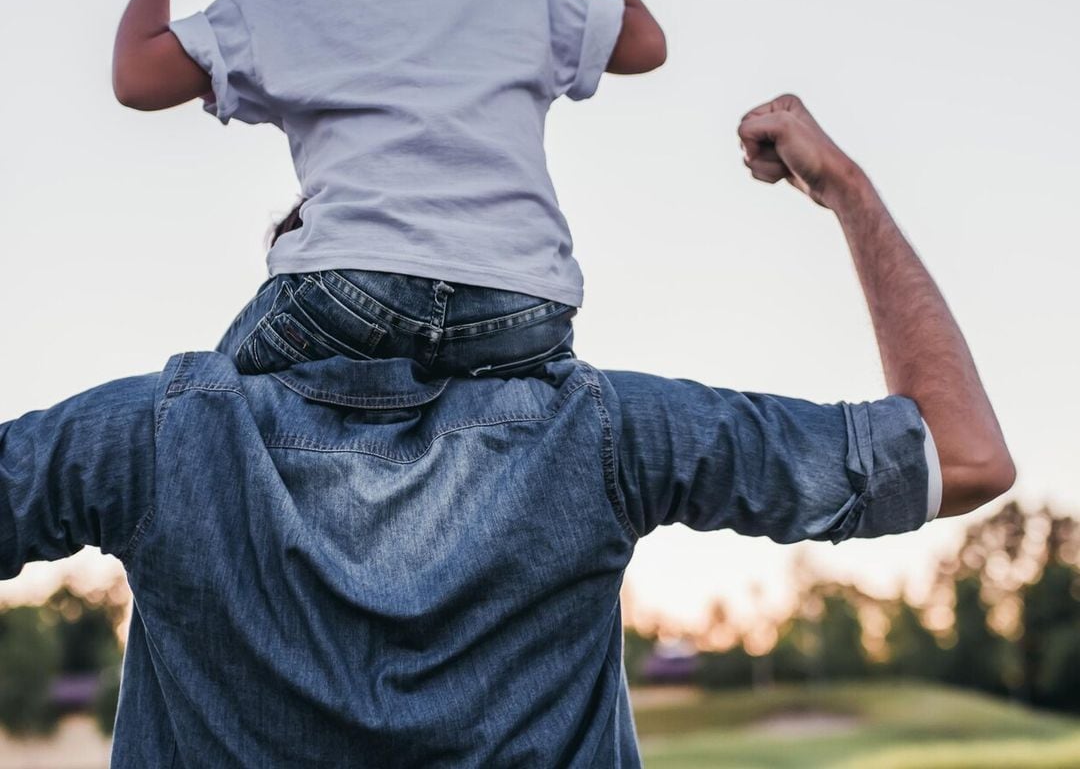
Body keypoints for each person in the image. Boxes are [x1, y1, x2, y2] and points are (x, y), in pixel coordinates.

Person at [0, 97, 1014, 767]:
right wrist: (846, 190)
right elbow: (962, 455)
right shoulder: (603, 436)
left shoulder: (156, 439)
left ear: (292, 274)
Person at [111, 0, 666, 379]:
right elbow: (646, 42)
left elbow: (137, 78)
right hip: (523, 305)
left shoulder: (278, 1)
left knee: (208, 401)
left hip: (352, 291)